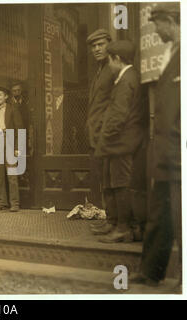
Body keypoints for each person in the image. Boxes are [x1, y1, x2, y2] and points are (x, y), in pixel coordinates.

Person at [131, 3, 181, 288]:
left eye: (157, 24)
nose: (156, 30)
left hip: (178, 153)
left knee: (180, 218)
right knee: (159, 213)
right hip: (164, 153)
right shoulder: (170, 54)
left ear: (171, 21)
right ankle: (151, 271)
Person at [94, 40, 145, 243]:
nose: (109, 66)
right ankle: (117, 223)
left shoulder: (126, 80)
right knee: (114, 181)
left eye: (110, 61)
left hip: (121, 143)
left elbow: (118, 115)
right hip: (121, 142)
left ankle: (123, 228)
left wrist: (105, 138)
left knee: (120, 183)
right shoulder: (128, 77)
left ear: (117, 59)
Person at [85, 29, 117, 236]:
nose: (97, 49)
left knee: (112, 179)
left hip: (106, 135)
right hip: (96, 135)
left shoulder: (113, 69)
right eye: (93, 46)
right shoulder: (99, 70)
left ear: (109, 45)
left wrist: (105, 130)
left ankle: (115, 222)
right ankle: (110, 220)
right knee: (104, 178)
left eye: (101, 45)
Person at [0, 86, 24, 212]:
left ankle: (15, 203)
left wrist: (18, 147)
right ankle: (1, 202)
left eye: (0, 95)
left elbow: (19, 129)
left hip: (9, 142)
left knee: (12, 175)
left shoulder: (13, 110)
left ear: (6, 97)